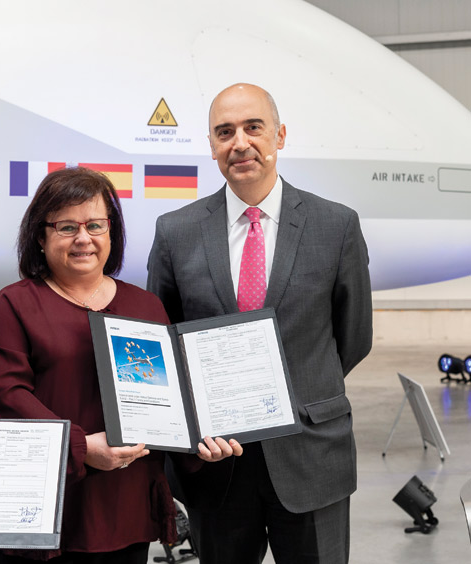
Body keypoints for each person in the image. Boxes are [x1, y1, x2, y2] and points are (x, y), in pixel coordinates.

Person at [147, 83, 373, 563]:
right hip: (216, 465)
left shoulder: (335, 226)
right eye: (224, 132)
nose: (240, 143)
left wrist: (299, 392)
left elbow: (352, 337)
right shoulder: (176, 232)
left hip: (311, 454)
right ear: (212, 146)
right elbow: (161, 342)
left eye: (254, 127)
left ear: (280, 135)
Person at [0, 167, 242, 564]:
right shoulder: (12, 307)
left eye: (95, 225)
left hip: (125, 506)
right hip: (44, 510)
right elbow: (5, 400)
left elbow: (171, 397)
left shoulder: (145, 306)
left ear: (111, 232)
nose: (84, 238)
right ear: (40, 235)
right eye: (67, 227)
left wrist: (200, 442)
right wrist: (80, 448)